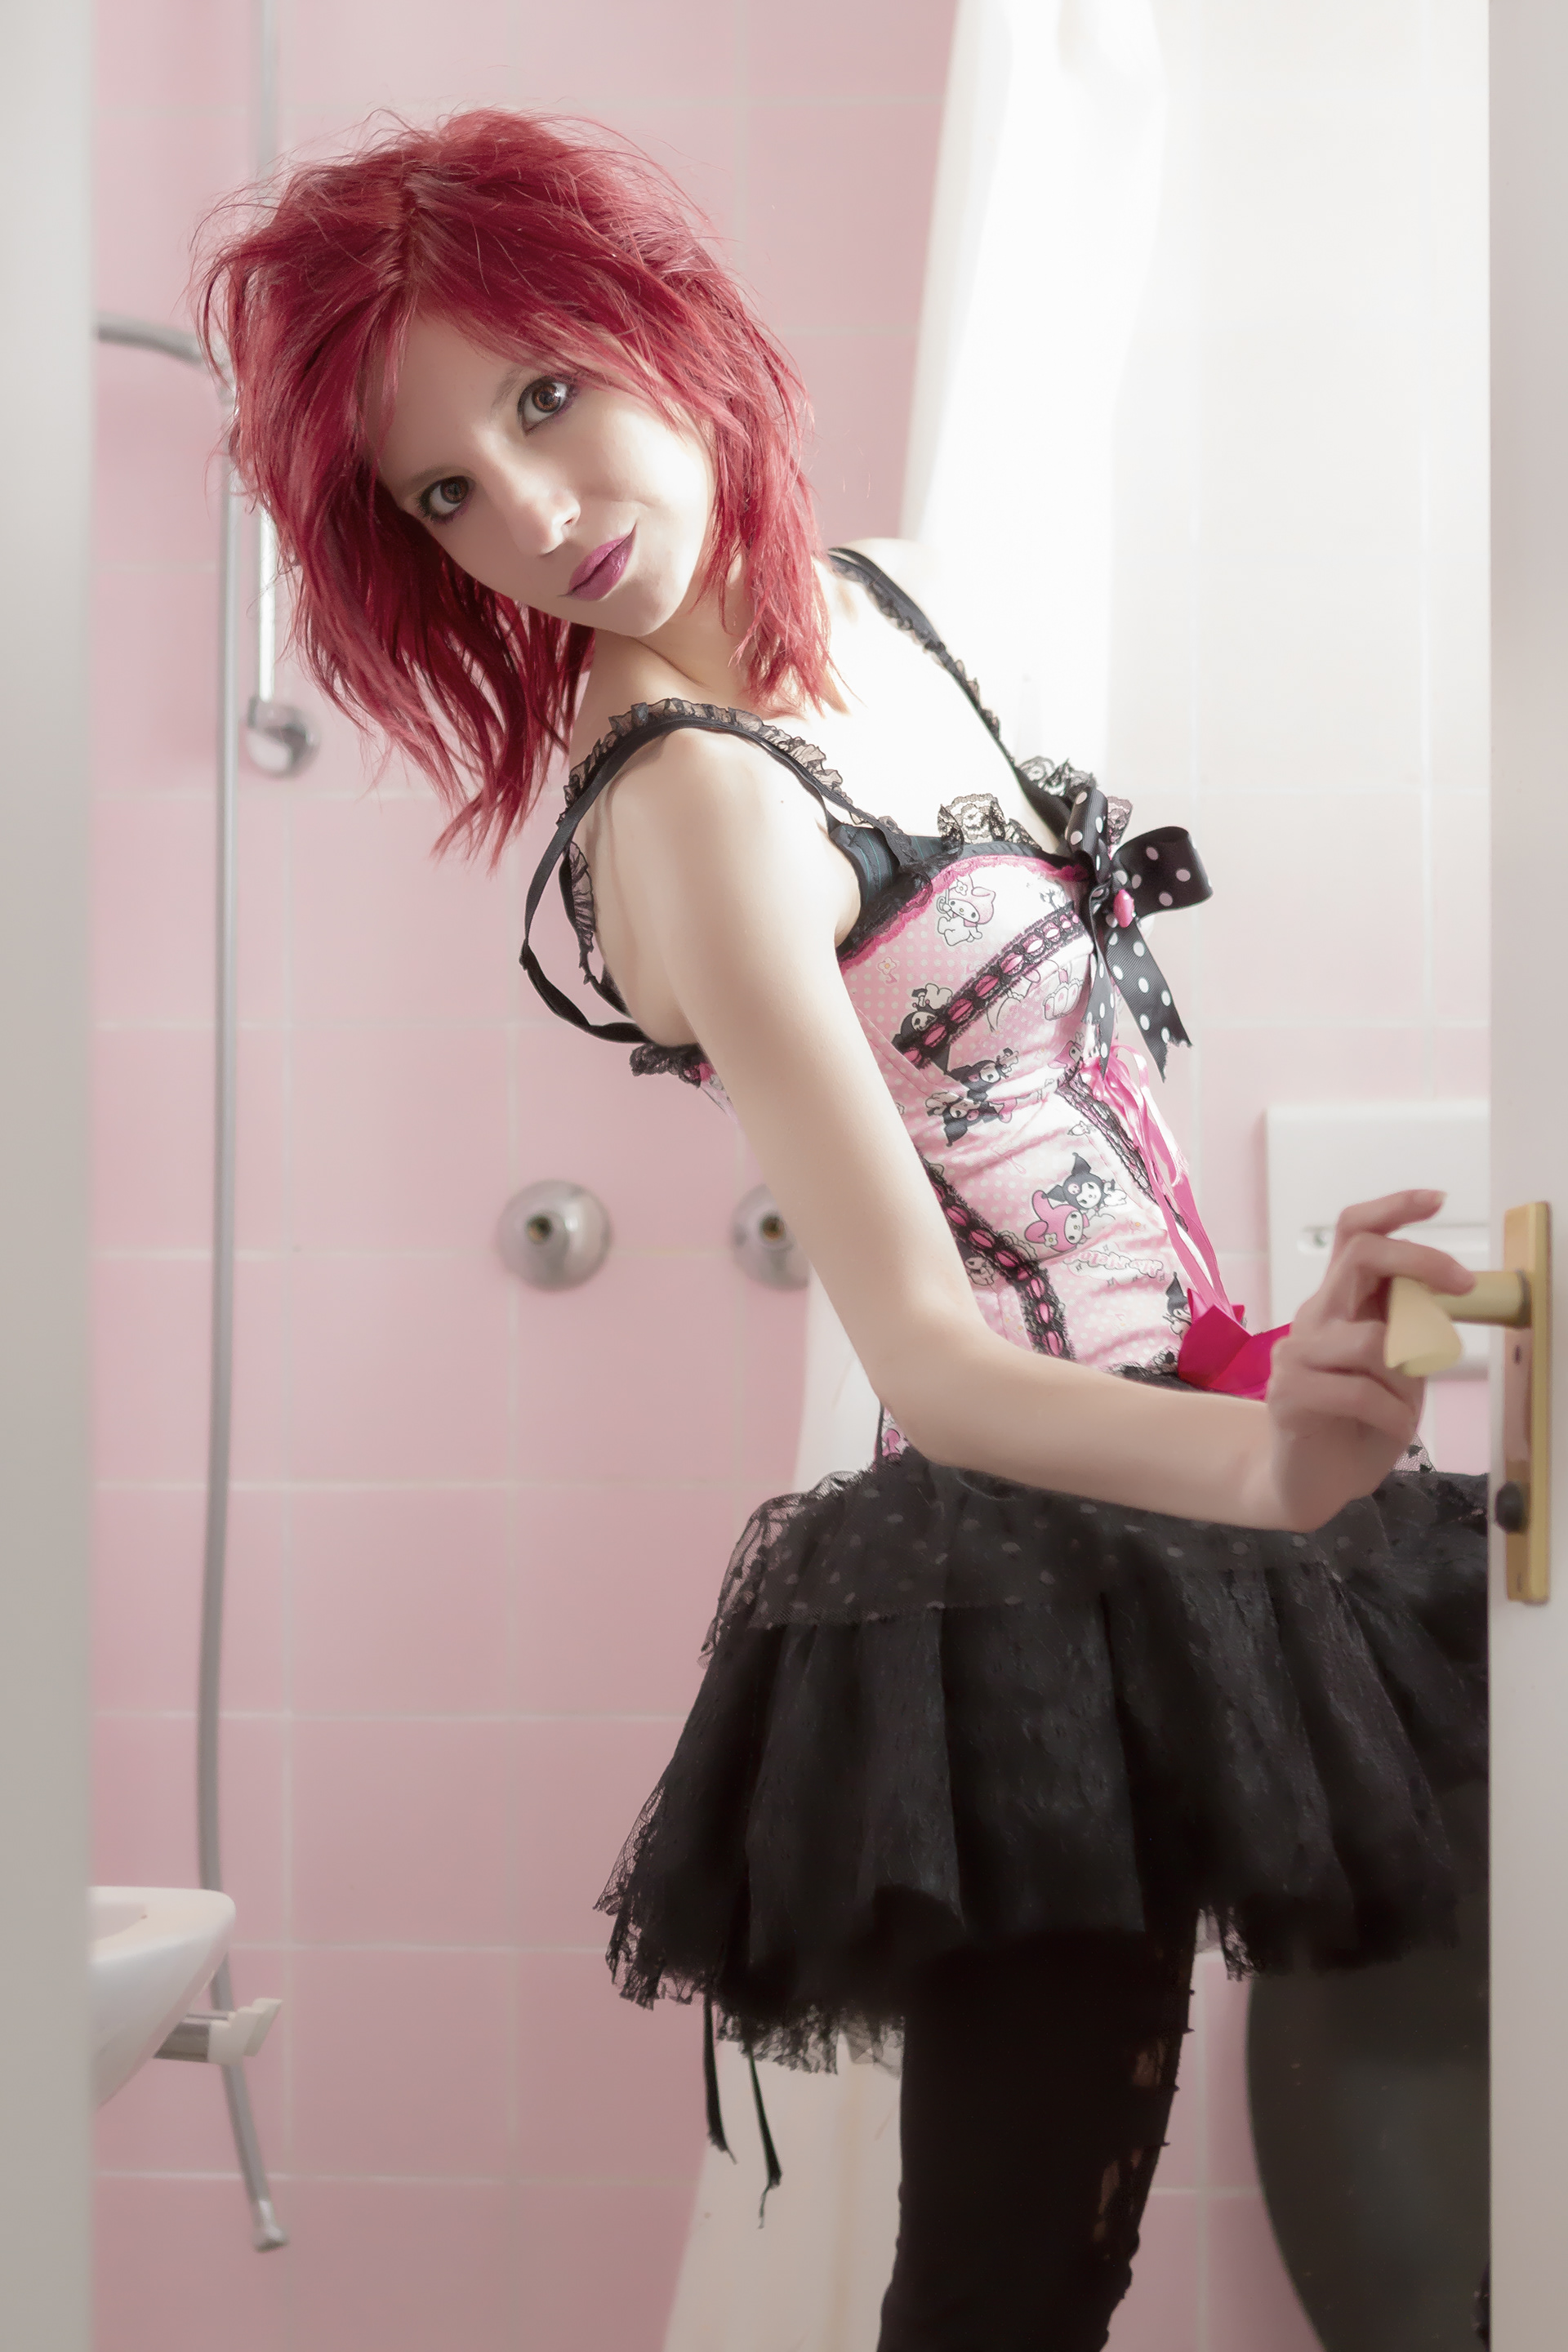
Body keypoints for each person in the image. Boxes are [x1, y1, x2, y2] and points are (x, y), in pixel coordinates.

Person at [199, 109, 1488, 2352]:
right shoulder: (688, 799)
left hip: (1200, 1451)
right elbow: (933, 1360)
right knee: (1015, 2275)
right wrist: (1276, 1454)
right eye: (446, 495)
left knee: (1377, 2101)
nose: (534, 515)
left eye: (543, 398)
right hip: (1017, 1572)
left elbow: (1086, 1113)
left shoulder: (893, 599)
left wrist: (1273, 1391)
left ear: (663, 319)